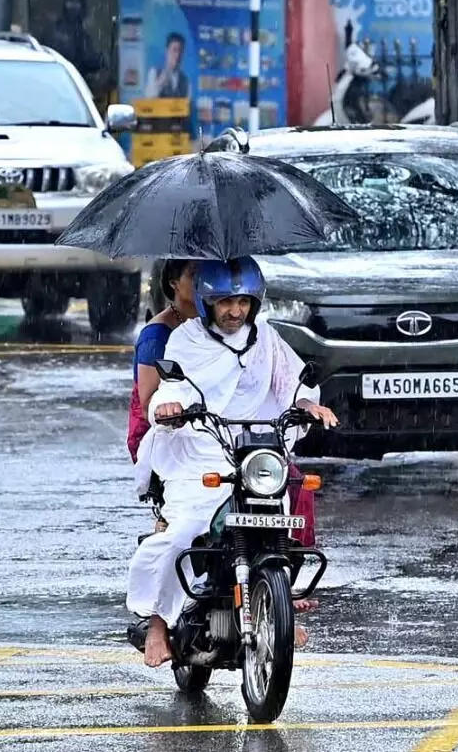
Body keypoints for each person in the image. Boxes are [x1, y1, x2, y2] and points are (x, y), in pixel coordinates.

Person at [128, 256, 338, 667]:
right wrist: (171, 407)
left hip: (255, 450)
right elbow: (173, 389)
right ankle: (156, 622)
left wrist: (308, 403)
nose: (235, 311)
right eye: (224, 302)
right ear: (207, 301)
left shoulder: (267, 339)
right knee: (183, 531)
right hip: (199, 449)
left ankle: (276, 605)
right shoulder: (184, 339)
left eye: (243, 301)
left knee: (284, 516)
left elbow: (292, 382)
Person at [128, 259, 197, 464]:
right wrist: (172, 411)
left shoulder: (212, 323)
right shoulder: (155, 337)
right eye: (193, 275)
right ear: (174, 282)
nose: (203, 282)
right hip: (161, 432)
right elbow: (148, 404)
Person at [44, 0, 105, 80]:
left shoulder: (51, 29)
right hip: (71, 79)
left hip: (52, 77)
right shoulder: (79, 33)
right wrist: (101, 60)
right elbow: (88, 59)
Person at [144, 33, 188, 98]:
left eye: (180, 51)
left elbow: (187, 104)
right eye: (174, 50)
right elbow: (147, 98)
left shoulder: (185, 80)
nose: (177, 55)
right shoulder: (154, 72)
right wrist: (159, 83)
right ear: (166, 51)